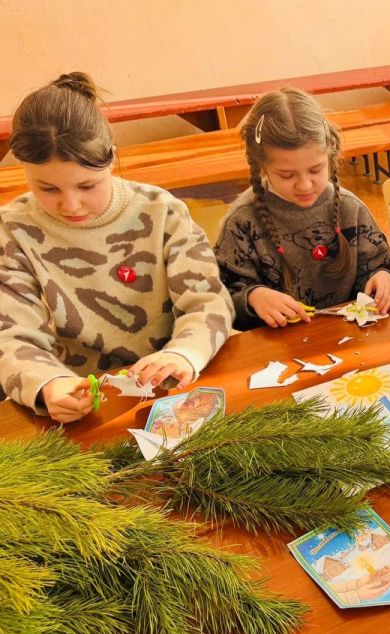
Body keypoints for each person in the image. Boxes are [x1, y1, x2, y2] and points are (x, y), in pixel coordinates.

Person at [0, 73, 234, 424]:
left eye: (87, 186)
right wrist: (47, 383)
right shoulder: (12, 229)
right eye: (47, 189)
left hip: (174, 390)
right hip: (83, 403)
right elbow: (11, 335)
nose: (71, 205)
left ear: (111, 159)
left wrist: (185, 353)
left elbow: (209, 301)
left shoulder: (161, 211)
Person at [216, 88, 390, 330]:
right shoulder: (242, 221)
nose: (304, 185)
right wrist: (253, 297)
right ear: (262, 167)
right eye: (286, 175)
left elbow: (380, 264)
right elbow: (221, 296)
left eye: (315, 170)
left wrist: (382, 277)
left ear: (330, 157)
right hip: (276, 344)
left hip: (349, 335)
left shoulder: (349, 207)